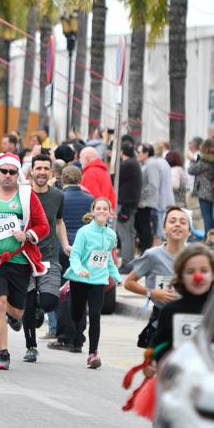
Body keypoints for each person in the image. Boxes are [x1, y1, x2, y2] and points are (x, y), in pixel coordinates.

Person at [0, 152, 50, 370]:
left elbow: (43, 226)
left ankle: (13, 315)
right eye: (3, 171)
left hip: (20, 260)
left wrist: (27, 235)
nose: (7, 176)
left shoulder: (26, 195)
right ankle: (3, 354)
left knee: (17, 311)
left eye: (12, 172)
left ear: (18, 174)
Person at [62, 198, 121, 368]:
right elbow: (75, 255)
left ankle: (92, 354)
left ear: (110, 213)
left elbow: (108, 258)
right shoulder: (84, 232)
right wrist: (80, 269)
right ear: (93, 211)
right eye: (99, 208)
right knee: (77, 314)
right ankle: (69, 292)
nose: (102, 211)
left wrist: (116, 277)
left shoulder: (111, 235)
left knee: (95, 315)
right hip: (80, 278)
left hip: (98, 279)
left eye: (105, 208)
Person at [21, 154, 68, 363]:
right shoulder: (22, 195)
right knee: (28, 304)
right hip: (24, 256)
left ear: (51, 172)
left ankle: (40, 307)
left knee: (49, 302)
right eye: (38, 168)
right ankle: (30, 346)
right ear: (32, 171)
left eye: (45, 168)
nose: (41, 172)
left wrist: (65, 244)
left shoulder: (58, 196)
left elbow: (59, 222)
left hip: (49, 256)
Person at [124, 206, 191, 349]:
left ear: (189, 231)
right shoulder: (153, 255)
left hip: (188, 319)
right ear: (164, 229)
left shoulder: (196, 256)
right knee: (156, 366)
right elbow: (129, 283)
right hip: (161, 318)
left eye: (183, 222)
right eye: (172, 221)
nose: (177, 224)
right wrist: (152, 293)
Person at [149, 243, 214, 366]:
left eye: (204, 271)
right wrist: (151, 361)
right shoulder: (170, 310)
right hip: (179, 378)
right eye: (190, 272)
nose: (198, 277)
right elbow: (159, 344)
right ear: (181, 276)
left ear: (213, 274)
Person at [115, 141, 142, 270]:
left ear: (122, 152)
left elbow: (115, 179)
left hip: (125, 203)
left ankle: (126, 262)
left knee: (124, 234)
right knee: (130, 234)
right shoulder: (135, 163)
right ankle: (130, 261)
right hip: (132, 203)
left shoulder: (127, 165)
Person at [188, 137, 214, 233]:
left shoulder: (204, 161)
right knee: (210, 215)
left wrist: (192, 160)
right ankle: (211, 236)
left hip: (204, 192)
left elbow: (191, 170)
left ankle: (208, 237)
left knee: (206, 216)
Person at [136, 143, 163, 254]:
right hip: (144, 201)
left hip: (146, 202)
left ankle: (145, 251)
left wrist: (141, 195)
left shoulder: (152, 164)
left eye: (140, 152)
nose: (138, 155)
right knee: (142, 226)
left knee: (145, 226)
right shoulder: (147, 164)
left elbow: (153, 184)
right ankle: (144, 250)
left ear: (146, 153)